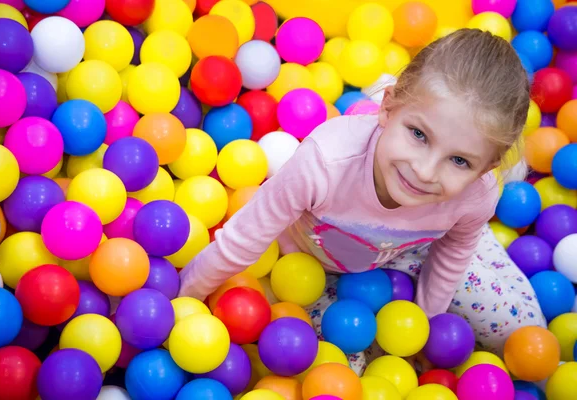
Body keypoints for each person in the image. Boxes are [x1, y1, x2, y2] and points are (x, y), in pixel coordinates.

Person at [179, 29, 546, 374]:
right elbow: (242, 240)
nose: (425, 171)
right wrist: (184, 301)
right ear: (388, 107)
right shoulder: (324, 163)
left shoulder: (477, 193)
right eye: (418, 134)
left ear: (488, 166)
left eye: (460, 161)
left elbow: (453, 252)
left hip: (418, 250)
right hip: (314, 267)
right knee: (345, 369)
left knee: (520, 333)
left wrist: (423, 321)